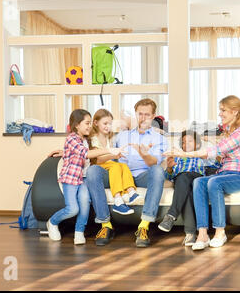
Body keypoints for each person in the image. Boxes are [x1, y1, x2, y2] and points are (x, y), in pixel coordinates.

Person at [164, 95, 240, 250]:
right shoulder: (228, 131)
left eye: (223, 110)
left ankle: (220, 232)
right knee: (198, 181)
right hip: (225, 173)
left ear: (234, 112)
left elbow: (216, 151)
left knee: (214, 182)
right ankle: (202, 234)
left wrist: (184, 154)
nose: (220, 114)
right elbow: (220, 154)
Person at [86, 98, 168, 247]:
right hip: (120, 175)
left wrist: (144, 154)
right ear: (136, 114)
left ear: (154, 115)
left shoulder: (159, 138)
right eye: (140, 114)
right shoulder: (122, 136)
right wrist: (68, 151)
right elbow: (100, 154)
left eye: (147, 114)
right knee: (92, 171)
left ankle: (144, 226)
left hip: (143, 175)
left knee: (157, 171)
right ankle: (106, 226)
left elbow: (153, 163)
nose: (143, 118)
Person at [46, 109, 122, 245]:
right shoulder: (71, 138)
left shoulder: (86, 140)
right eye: (86, 123)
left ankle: (79, 232)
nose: (89, 126)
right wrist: (110, 150)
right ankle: (52, 222)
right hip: (70, 179)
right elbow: (84, 154)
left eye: (90, 123)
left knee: (85, 203)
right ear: (77, 125)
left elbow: (88, 156)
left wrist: (65, 152)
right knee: (73, 209)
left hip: (83, 179)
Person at [158, 130, 220, 247]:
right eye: (184, 142)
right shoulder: (178, 158)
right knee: (184, 185)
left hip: (197, 180)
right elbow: (169, 177)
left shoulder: (202, 157)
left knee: (186, 183)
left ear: (197, 144)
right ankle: (190, 233)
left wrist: (214, 145)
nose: (186, 144)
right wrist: (170, 168)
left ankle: (172, 216)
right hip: (181, 181)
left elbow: (217, 164)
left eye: (190, 141)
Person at [89, 109, 142, 215]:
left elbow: (109, 157)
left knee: (122, 165)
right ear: (95, 123)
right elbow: (97, 159)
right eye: (105, 123)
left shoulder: (108, 137)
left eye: (110, 124)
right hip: (98, 167)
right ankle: (117, 200)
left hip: (107, 165)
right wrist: (113, 155)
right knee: (116, 166)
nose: (108, 126)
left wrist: (116, 155)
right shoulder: (94, 138)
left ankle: (131, 191)